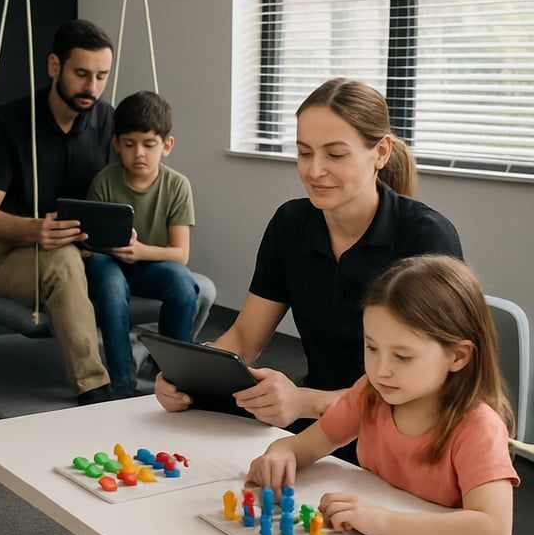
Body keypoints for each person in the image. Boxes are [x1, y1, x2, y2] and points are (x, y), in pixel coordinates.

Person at [169, 254, 517, 535]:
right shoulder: (371, 394)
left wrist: (380, 520)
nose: (382, 369)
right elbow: (306, 444)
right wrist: (282, 452)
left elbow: (492, 530)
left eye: (402, 356)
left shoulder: (476, 426)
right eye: (372, 348)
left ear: (458, 356)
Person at [155, 78, 462, 429]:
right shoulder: (291, 224)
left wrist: (306, 401)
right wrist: (190, 374)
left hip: (399, 429)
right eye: (304, 152)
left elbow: (431, 386)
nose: (314, 170)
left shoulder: (426, 236)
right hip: (319, 422)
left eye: (335, 154)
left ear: (380, 152)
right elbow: (244, 339)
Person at [0, 18, 119, 406]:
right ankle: (95, 389)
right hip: (6, 257)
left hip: (90, 253)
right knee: (62, 258)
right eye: (82, 74)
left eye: (102, 75)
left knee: (185, 280)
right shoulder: (7, 124)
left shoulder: (111, 123)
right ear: (55, 67)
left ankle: (165, 368)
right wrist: (36, 230)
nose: (92, 87)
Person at [84, 91, 198, 396]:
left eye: (149, 145)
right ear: (116, 143)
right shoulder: (105, 181)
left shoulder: (176, 185)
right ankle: (122, 383)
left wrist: (140, 251)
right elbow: (90, 247)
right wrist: (111, 247)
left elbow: (180, 253)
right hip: (109, 263)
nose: (139, 154)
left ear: (166, 145)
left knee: (183, 284)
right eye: (130, 144)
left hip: (150, 265)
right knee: (109, 283)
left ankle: (174, 377)